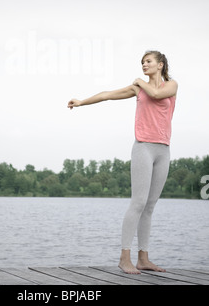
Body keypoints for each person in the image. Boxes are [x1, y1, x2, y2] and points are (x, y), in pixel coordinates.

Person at [67, 50, 177, 274]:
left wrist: (139, 82)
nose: (144, 65)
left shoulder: (171, 85)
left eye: (148, 62)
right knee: (138, 203)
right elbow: (107, 94)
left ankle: (143, 258)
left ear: (160, 65)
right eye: (142, 63)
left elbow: (157, 94)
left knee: (150, 206)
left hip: (163, 150)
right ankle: (124, 257)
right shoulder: (138, 88)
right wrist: (81, 102)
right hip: (143, 148)